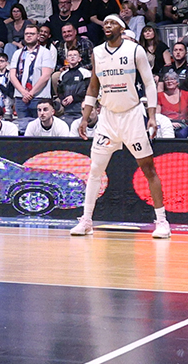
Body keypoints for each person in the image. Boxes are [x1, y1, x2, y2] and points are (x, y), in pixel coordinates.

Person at [72, 16, 169, 238]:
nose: (107, 25)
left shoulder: (135, 50)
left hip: (132, 115)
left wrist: (152, 115)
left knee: (148, 169)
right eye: (105, 23)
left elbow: (149, 84)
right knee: (95, 170)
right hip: (107, 117)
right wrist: (85, 117)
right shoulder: (97, 52)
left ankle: (162, 221)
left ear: (122, 28)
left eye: (112, 23)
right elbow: (93, 86)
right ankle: (86, 220)